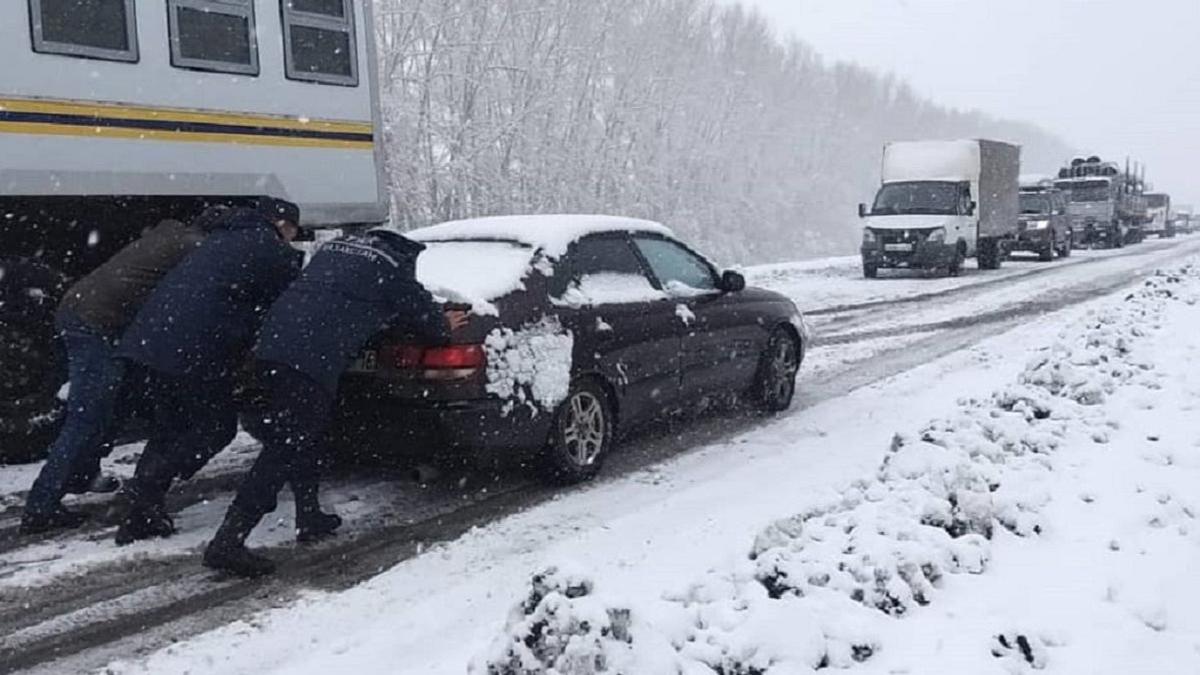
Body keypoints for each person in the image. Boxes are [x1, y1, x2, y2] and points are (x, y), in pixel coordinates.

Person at [203, 228, 469, 577]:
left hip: (269, 350)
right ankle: (228, 541)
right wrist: (443, 319)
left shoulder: (333, 253)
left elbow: (340, 299)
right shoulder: (392, 267)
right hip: (308, 362)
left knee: (305, 435)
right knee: (285, 446)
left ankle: (309, 515)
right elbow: (431, 327)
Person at [20, 210, 224, 534]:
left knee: (108, 408)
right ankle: (40, 508)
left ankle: (79, 475)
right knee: (86, 418)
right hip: (95, 324)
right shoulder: (195, 248)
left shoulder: (170, 233)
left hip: (84, 309)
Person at [114, 198, 303, 545]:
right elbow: (289, 307)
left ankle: (142, 510)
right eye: (292, 232)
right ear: (281, 224)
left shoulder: (220, 238)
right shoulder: (271, 250)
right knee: (215, 428)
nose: (291, 240)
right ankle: (144, 490)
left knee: (170, 426)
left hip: (150, 341)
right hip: (195, 349)